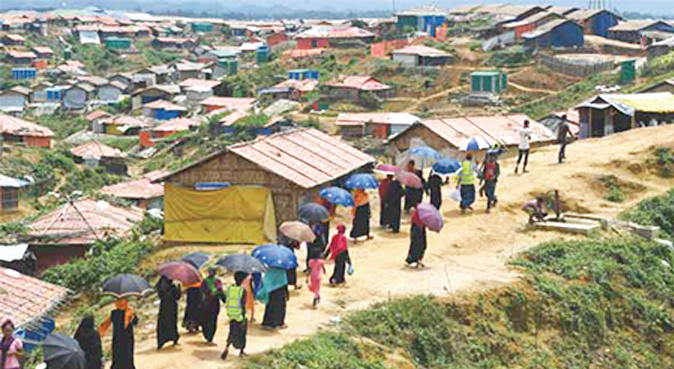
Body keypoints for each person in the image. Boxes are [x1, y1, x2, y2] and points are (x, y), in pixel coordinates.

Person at [99, 299, 138, 369]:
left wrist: (130, 316)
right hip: (117, 338)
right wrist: (100, 331)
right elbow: (106, 323)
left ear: (126, 302)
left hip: (127, 338)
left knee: (127, 355)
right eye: (117, 302)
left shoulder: (130, 312)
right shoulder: (114, 313)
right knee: (117, 355)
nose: (119, 304)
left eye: (122, 302)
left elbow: (133, 323)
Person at [221, 272, 248, 360]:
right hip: (240, 315)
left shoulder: (230, 289)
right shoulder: (242, 291)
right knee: (242, 333)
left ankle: (226, 348)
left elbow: (226, 299)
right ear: (243, 280)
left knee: (232, 331)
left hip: (231, 314)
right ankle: (241, 351)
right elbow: (243, 305)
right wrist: (244, 317)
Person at [155, 276, 181, 350]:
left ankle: (161, 341)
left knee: (164, 323)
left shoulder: (161, 286)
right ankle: (173, 338)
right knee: (171, 322)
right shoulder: (171, 286)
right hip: (171, 307)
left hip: (165, 307)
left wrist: (177, 289)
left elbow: (176, 296)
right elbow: (177, 296)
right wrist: (177, 289)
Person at [200, 268, 225, 344]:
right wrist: (225, 300)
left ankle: (208, 336)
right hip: (213, 303)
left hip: (206, 303)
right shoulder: (217, 281)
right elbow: (220, 291)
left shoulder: (204, 281)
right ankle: (209, 337)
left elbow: (203, 292)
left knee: (207, 320)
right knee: (212, 320)